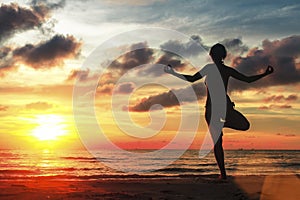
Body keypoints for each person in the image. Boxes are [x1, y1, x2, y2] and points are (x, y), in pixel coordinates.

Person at [164, 43, 274, 179]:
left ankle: (223, 127)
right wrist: (173, 73)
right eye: (213, 54)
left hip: (223, 109)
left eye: (215, 54)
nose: (214, 56)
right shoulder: (210, 69)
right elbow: (192, 79)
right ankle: (223, 174)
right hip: (213, 110)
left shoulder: (224, 70)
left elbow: (247, 80)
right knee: (218, 142)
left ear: (219, 55)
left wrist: (265, 74)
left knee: (244, 125)